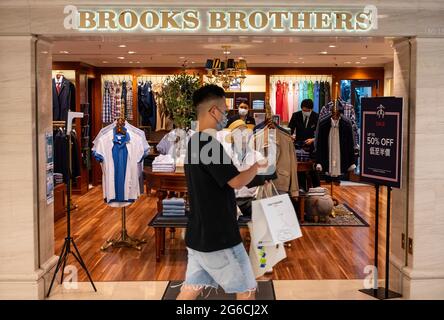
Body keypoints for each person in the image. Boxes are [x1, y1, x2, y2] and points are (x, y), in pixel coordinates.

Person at [177, 85, 267, 301]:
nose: (226, 115)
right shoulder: (209, 144)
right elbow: (236, 181)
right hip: (220, 235)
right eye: (225, 110)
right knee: (246, 290)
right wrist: (256, 166)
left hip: (199, 232)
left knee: (191, 288)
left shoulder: (194, 141)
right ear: (214, 111)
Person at [288, 99, 320, 189]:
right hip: (299, 145)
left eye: (307, 110)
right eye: (304, 110)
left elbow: (320, 133)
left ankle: (317, 189)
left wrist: (313, 139)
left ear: (311, 109)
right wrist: (291, 136)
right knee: (300, 168)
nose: (305, 112)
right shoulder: (296, 115)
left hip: (312, 148)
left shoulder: (316, 116)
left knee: (313, 169)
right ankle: (301, 189)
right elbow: (290, 129)